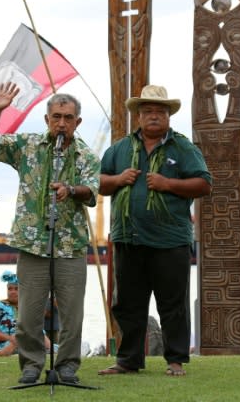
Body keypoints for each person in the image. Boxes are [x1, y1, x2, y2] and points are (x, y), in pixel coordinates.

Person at [0, 83, 100, 385]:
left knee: (72, 314)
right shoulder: (27, 145)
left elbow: (92, 190)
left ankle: (68, 367)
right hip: (32, 243)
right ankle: (32, 365)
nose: (62, 123)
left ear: (78, 122)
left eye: (69, 117)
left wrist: (70, 190)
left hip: (70, 245)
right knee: (28, 314)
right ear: (46, 119)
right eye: (57, 116)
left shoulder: (85, 154)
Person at [97, 85, 211, 377]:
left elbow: (204, 184)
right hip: (128, 237)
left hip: (170, 240)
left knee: (173, 303)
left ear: (169, 116)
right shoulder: (120, 149)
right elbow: (97, 183)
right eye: (148, 111)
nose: (154, 116)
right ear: (138, 116)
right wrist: (119, 179)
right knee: (128, 304)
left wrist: (168, 184)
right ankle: (128, 360)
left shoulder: (183, 148)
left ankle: (175, 360)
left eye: (160, 111)